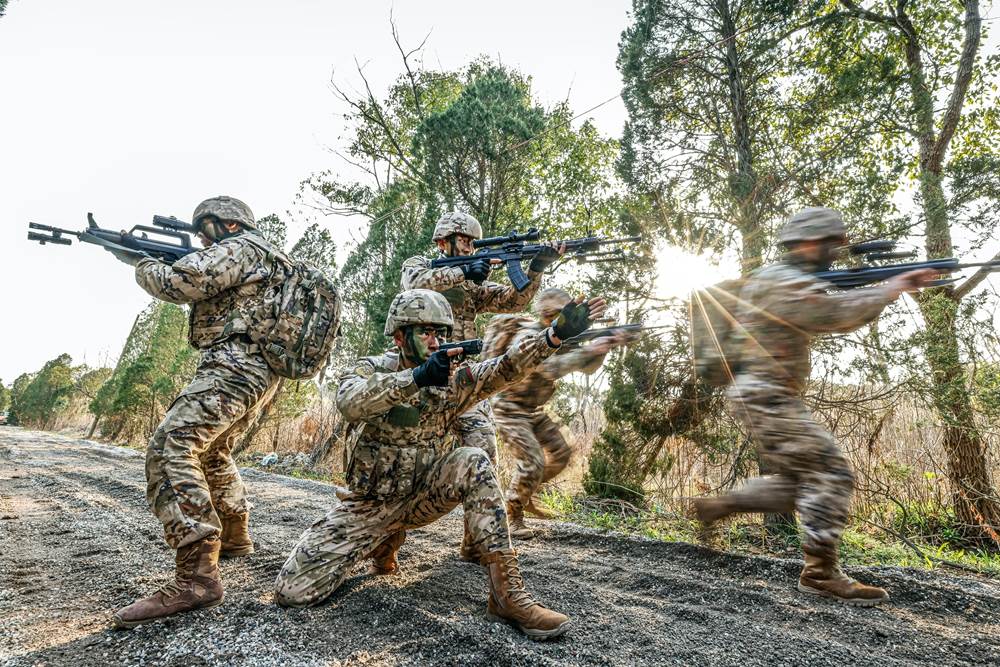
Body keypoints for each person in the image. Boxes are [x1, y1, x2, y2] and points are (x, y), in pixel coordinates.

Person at [274, 288, 605, 640]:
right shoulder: (371, 368)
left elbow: (507, 366)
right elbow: (350, 402)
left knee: (473, 461)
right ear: (400, 336)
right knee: (292, 593)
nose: (438, 341)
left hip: (423, 497)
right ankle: (383, 538)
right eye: (427, 332)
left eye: (442, 333)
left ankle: (507, 596)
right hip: (369, 506)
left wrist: (553, 336)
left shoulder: (454, 378)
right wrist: (416, 378)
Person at [692, 207, 938, 606]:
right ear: (808, 242)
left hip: (767, 393)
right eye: (829, 245)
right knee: (831, 472)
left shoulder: (787, 277)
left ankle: (719, 505)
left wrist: (886, 285)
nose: (835, 253)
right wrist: (891, 288)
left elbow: (829, 305)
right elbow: (831, 314)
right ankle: (820, 572)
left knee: (801, 480)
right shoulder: (779, 282)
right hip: (763, 394)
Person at [112, 196, 286, 628]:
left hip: (235, 365)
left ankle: (196, 577)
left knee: (171, 445)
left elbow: (180, 284)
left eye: (203, 230)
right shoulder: (270, 257)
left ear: (227, 226)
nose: (198, 239)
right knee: (212, 450)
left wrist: (141, 262)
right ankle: (233, 535)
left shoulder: (242, 247)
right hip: (261, 368)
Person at [485, 288, 633, 540]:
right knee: (533, 462)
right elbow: (549, 368)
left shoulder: (567, 336)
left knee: (563, 452)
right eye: (557, 314)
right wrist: (589, 350)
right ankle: (512, 515)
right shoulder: (528, 335)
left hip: (534, 408)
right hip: (509, 408)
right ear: (545, 315)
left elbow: (588, 369)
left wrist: (604, 348)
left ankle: (525, 492)